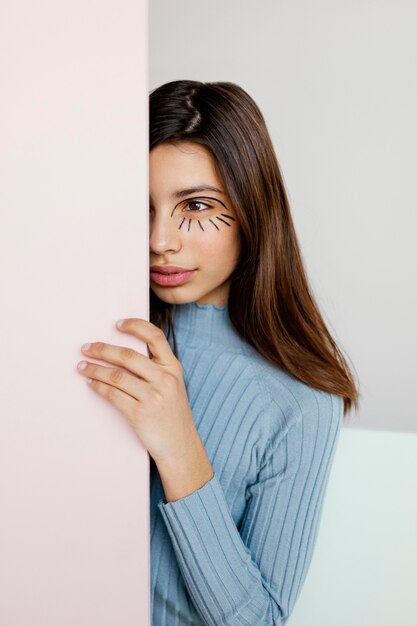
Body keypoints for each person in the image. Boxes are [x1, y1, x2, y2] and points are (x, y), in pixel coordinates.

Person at [77, 79, 359, 625]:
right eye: (143, 207)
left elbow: (258, 621)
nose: (160, 239)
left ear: (253, 209)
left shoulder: (301, 398)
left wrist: (181, 449)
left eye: (196, 205)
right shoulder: (99, 330)